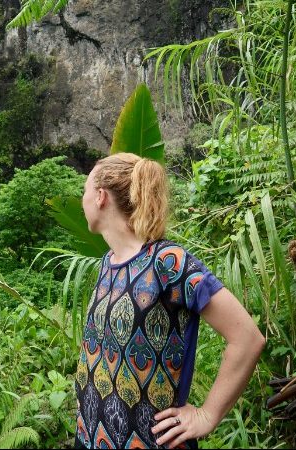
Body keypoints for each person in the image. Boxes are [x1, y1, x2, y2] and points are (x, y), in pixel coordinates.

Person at [74, 153, 265, 449]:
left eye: (84, 191)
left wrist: (207, 414)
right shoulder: (107, 263)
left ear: (100, 197)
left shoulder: (166, 262)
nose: (82, 200)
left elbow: (247, 338)